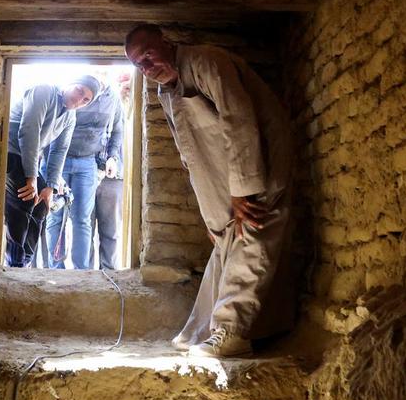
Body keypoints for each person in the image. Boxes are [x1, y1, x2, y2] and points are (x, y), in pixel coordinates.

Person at [124, 24, 295, 358]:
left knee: (252, 235)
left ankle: (231, 332)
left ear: (167, 42)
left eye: (147, 54)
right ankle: (205, 330)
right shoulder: (166, 93)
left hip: (261, 166)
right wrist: (212, 211)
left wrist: (244, 190)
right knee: (226, 244)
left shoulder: (207, 62)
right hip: (225, 181)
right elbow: (190, 156)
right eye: (137, 64)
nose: (145, 67)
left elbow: (240, 120)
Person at [3, 76, 99, 267]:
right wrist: (31, 177)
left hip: (27, 158)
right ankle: (14, 261)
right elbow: (29, 131)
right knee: (26, 199)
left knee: (42, 206)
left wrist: (50, 187)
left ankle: (24, 261)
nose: (80, 99)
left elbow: (59, 150)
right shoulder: (44, 91)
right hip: (10, 151)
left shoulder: (70, 116)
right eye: (79, 90)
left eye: (86, 99)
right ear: (69, 83)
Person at [45, 72, 125, 270]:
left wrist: (112, 157)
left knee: (82, 219)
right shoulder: (75, 93)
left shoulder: (112, 98)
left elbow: (117, 130)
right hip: (59, 160)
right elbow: (51, 129)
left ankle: (82, 272)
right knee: (55, 217)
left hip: (88, 163)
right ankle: (57, 269)